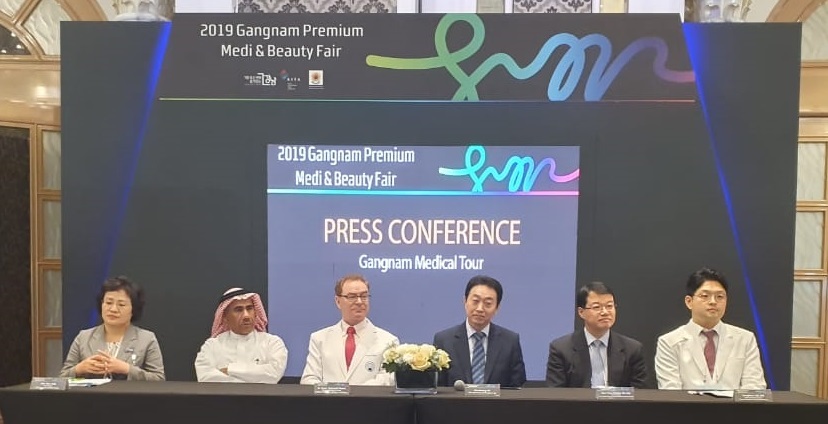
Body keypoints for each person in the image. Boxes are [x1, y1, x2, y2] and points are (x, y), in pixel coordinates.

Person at [655, 267, 766, 390]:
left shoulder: (745, 339)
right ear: (689, 302)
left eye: (720, 296)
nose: (713, 302)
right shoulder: (669, 342)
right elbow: (670, 391)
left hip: (734, 403)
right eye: (705, 296)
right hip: (687, 403)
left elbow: (755, 386)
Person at [59, 276, 165, 380]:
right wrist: (79, 369)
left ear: (133, 309)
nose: (113, 309)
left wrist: (127, 369)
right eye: (109, 303)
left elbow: (159, 379)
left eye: (121, 305)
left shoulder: (146, 339)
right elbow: (62, 378)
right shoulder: (83, 337)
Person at [300, 274, 399, 385]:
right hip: (329, 397)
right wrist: (336, 392)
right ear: (338, 301)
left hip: (369, 397)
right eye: (352, 297)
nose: (359, 302)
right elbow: (309, 379)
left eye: (364, 296)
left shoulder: (388, 341)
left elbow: (387, 380)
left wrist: (354, 393)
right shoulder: (319, 339)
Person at [546, 281, 647, 388]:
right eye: (597, 307)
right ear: (581, 312)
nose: (605, 312)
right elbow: (556, 392)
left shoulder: (632, 349)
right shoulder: (561, 349)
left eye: (609, 306)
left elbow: (639, 392)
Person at [433, 275, 526, 387]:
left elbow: (518, 386)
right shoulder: (444, 340)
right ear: (465, 301)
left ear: (497, 308)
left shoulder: (510, 341)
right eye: (475, 301)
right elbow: (437, 386)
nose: (480, 308)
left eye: (488, 304)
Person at [195, 288, 288, 383]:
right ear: (225, 317)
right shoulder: (211, 346)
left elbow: (273, 374)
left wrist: (229, 370)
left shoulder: (272, 343)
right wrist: (256, 376)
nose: (246, 316)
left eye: (249, 308)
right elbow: (206, 378)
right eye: (238, 310)